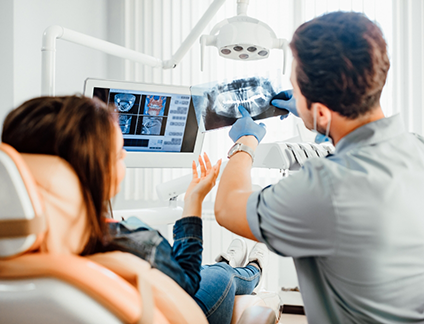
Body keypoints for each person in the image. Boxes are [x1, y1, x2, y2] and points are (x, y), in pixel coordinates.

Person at [214, 11, 424, 324]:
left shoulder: (326, 188)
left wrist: (245, 142)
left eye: (297, 90)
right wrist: (314, 117)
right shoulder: (417, 147)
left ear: (323, 111)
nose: (294, 94)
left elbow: (228, 208)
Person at [1, 95, 270, 324]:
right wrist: (195, 200)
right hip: (186, 302)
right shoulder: (135, 246)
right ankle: (253, 269)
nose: (126, 155)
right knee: (220, 274)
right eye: (119, 153)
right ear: (95, 172)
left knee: (213, 268)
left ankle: (233, 260)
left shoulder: (23, 255)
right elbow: (188, 280)